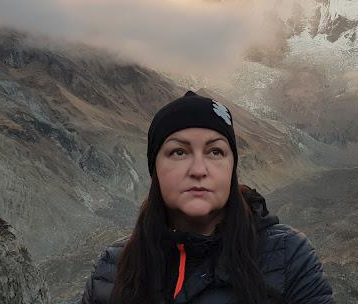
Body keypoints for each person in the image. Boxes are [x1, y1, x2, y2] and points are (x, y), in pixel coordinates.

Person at [81, 91, 334, 303]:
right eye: (179, 152)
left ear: (232, 167)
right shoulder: (111, 269)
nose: (199, 170)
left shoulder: (289, 257)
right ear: (154, 168)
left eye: (215, 151)